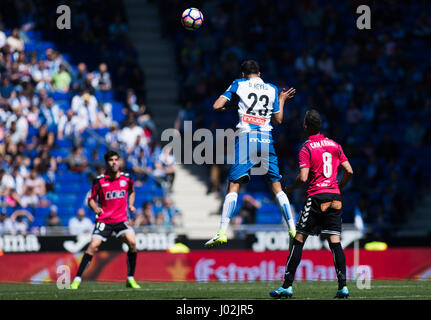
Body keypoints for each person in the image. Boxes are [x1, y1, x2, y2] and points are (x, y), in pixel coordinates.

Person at [205, 60, 297, 248]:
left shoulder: (239, 84)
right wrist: (282, 100)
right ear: (259, 73)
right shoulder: (271, 88)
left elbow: (216, 106)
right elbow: (278, 119)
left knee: (233, 185)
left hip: (247, 137)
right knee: (277, 187)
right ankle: (293, 228)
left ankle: (222, 232)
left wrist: (232, 104)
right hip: (266, 139)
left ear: (243, 74)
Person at [269, 109, 354, 299]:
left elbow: (303, 177)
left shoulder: (306, 148)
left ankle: (287, 286)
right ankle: (343, 287)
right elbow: (349, 171)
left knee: (298, 240)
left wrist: (290, 188)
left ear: (306, 126)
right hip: (334, 197)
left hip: (316, 197)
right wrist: (338, 186)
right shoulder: (334, 145)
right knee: (335, 242)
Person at [70, 150, 140, 290]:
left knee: (132, 242)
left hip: (121, 220)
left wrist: (131, 205)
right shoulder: (100, 181)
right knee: (93, 246)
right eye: (111, 160)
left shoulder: (126, 178)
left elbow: (131, 191)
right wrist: (95, 208)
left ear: (119, 161)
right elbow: (91, 199)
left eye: (116, 159)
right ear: (107, 163)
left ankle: (130, 278)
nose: (114, 162)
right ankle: (77, 279)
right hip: (104, 220)